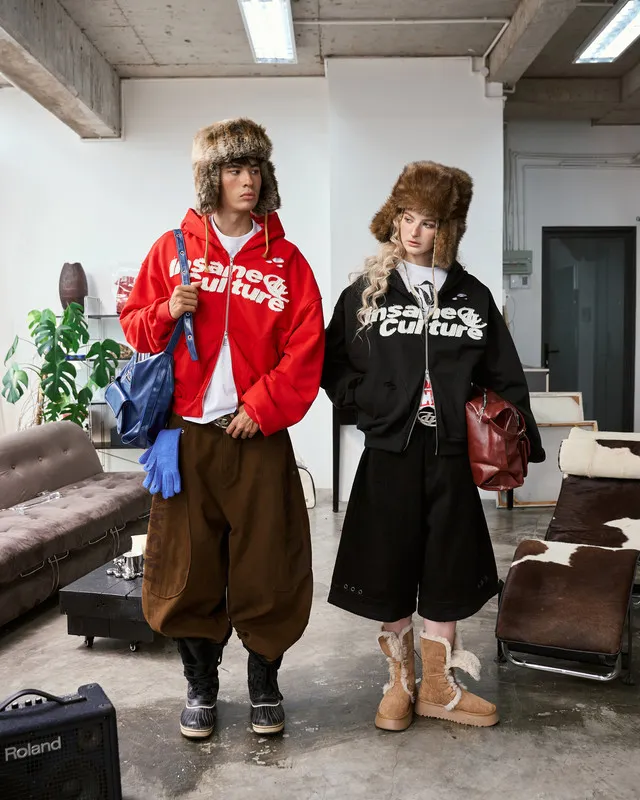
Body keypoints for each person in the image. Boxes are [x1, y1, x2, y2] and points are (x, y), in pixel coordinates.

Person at [321, 161, 544, 732]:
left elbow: (504, 375)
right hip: (390, 451)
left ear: (447, 230)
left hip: (451, 453)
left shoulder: (472, 296)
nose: (414, 231)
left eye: (428, 222)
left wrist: (518, 439)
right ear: (393, 219)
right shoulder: (365, 292)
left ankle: (439, 687)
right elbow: (331, 364)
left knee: (447, 564)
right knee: (389, 561)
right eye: (406, 218)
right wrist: (369, 400)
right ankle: (400, 683)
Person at [120, 118, 324, 739]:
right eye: (234, 169)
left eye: (255, 168)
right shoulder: (172, 249)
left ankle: (264, 684)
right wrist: (166, 309)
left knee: (268, 562)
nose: (247, 180)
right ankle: (201, 686)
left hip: (257, 437)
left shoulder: (287, 261)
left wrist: (261, 406)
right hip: (187, 438)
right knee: (188, 566)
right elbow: (134, 326)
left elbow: (306, 347)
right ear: (212, 177)